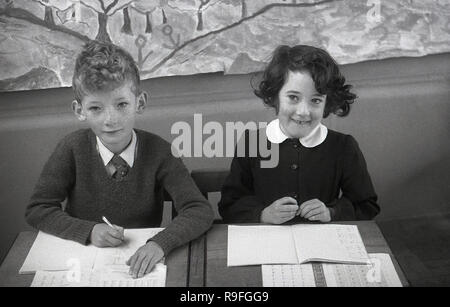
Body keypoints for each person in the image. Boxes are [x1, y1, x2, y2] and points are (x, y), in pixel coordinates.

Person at [25, 40, 214, 278]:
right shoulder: (71, 148)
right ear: (79, 111)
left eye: (122, 104)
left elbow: (198, 209)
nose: (110, 120)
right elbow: (37, 209)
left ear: (140, 103)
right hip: (81, 263)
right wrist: (89, 230)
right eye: (96, 108)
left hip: (139, 265)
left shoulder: (161, 152)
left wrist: (159, 243)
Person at [219, 45, 380, 224]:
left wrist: (332, 213)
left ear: (327, 104)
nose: (303, 111)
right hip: (266, 243)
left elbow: (367, 205)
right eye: (293, 97)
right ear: (275, 97)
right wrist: (262, 214)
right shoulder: (252, 143)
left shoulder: (343, 147)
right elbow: (229, 204)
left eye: (316, 100)